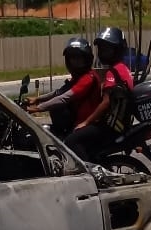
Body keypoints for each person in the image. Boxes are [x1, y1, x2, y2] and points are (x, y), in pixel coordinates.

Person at [63, 27, 134, 162]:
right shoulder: (121, 68)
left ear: (118, 49)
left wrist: (86, 122)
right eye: (101, 49)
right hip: (118, 123)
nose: (103, 53)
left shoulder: (113, 72)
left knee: (72, 140)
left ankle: (89, 173)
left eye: (107, 49)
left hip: (111, 126)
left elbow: (106, 102)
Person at [26, 37, 101, 137]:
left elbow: (64, 98)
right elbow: (59, 92)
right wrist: (37, 99)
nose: (75, 62)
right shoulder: (79, 77)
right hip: (72, 124)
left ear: (87, 59)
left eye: (79, 58)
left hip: (82, 124)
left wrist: (37, 108)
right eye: (72, 58)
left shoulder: (88, 78)